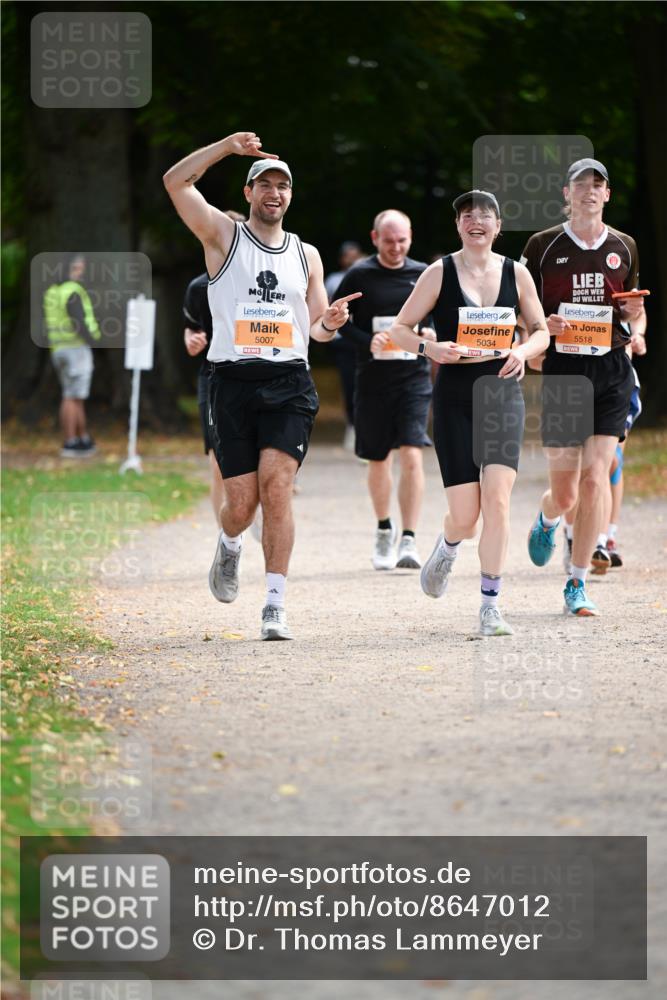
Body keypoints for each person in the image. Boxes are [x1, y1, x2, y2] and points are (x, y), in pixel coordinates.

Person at [163, 132, 360, 640]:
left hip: (289, 381)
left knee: (277, 488)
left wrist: (332, 321)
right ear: (249, 193)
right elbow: (175, 181)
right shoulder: (221, 238)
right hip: (231, 382)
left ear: (290, 196)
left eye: (283, 186)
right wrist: (227, 149)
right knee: (241, 504)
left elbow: (315, 327)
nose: (274, 192)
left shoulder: (307, 255)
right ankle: (229, 544)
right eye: (265, 184)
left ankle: (275, 603)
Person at [388, 191, 549, 635]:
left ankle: (490, 606)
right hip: (455, 395)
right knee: (467, 515)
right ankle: (448, 544)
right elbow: (399, 331)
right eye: (466, 215)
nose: (476, 220)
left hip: (501, 394)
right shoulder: (439, 273)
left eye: (485, 215)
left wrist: (524, 349)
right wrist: (431, 347)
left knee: (497, 501)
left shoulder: (516, 273)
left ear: (498, 226)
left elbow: (540, 332)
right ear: (458, 225)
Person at [521, 158, 644, 616]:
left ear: (607, 194)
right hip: (564, 372)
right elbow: (520, 307)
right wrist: (540, 326)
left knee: (597, 476)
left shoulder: (625, 245)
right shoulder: (542, 245)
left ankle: (576, 583)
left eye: (598, 185)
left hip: (611, 368)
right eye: (580, 185)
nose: (589, 192)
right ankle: (549, 516)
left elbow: (634, 306)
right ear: (565, 193)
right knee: (567, 491)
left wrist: (636, 319)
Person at [334, 210, 436, 571]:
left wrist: (431, 334)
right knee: (379, 458)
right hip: (373, 379)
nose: (396, 248)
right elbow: (338, 322)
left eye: (402, 241)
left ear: (410, 238)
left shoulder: (423, 273)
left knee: (412, 452)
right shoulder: (359, 274)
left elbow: (438, 316)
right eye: (389, 241)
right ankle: (383, 529)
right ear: (375, 238)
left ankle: (409, 537)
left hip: (414, 377)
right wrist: (367, 340)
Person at [183, 211, 246, 527]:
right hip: (214, 378)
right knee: (218, 461)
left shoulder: (259, 281)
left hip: (259, 377)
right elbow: (191, 328)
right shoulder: (198, 287)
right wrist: (192, 340)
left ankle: (255, 514)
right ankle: (226, 537)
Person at [43, 254, 101, 457]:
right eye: (77, 268)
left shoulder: (52, 291)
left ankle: (81, 438)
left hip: (58, 349)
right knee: (72, 396)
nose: (81, 272)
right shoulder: (73, 291)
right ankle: (70, 441)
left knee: (74, 395)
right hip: (76, 348)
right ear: (68, 269)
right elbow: (78, 322)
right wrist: (93, 340)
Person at [324, 241, 365, 451]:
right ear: (342, 259)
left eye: (355, 254)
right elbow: (325, 305)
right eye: (348, 255)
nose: (352, 258)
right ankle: (352, 425)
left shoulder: (367, 276)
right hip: (343, 340)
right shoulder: (333, 279)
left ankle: (367, 426)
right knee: (349, 384)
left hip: (365, 339)